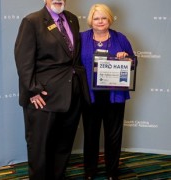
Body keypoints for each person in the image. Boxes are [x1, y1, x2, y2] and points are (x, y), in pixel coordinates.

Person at [14, 0, 89, 179]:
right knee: (40, 147)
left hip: (71, 93)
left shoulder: (71, 19)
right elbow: (23, 60)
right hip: (44, 96)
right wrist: (33, 90)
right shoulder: (32, 21)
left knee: (63, 144)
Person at [80, 4, 136, 180]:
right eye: (96, 18)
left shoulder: (121, 38)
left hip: (114, 96)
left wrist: (126, 58)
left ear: (110, 19)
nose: (100, 21)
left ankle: (112, 172)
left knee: (113, 137)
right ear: (91, 20)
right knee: (91, 136)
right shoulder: (82, 38)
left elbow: (133, 62)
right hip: (90, 95)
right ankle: (90, 171)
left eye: (104, 18)